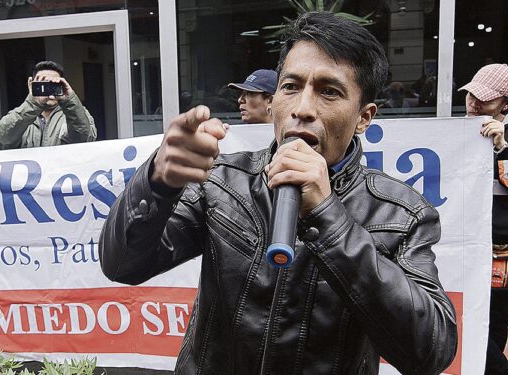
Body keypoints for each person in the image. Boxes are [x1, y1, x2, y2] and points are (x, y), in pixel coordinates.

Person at [99, 12, 457, 374]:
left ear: (364, 117)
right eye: (290, 87)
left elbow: (430, 351)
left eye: (329, 91)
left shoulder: (401, 214)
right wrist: (157, 183)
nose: (302, 109)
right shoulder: (221, 180)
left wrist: (329, 218)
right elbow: (122, 264)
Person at [459, 64, 508, 375]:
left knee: (495, 318)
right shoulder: (459, 131)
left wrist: (501, 148)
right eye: (471, 96)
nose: (475, 104)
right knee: (461, 314)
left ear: (506, 103)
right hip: (466, 242)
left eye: (485, 99)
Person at [0, 60, 97, 148]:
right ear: (31, 84)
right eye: (42, 84)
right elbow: (2, 137)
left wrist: (69, 100)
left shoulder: (76, 112)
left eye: (53, 84)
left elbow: (84, 140)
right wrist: (32, 104)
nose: (48, 90)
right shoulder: (21, 113)